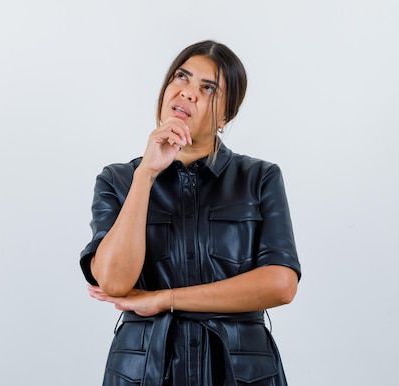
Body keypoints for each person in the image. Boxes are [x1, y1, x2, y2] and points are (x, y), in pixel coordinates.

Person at [80, 40, 301, 386]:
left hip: (239, 371)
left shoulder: (259, 178)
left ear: (226, 114)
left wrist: (164, 299)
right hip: (145, 373)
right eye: (180, 78)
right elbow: (113, 281)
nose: (187, 93)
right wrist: (146, 175)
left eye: (207, 88)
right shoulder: (119, 180)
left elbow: (281, 284)